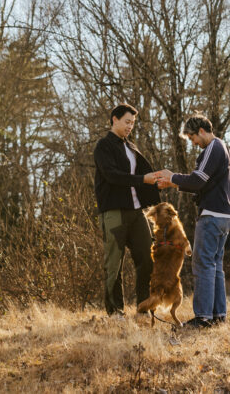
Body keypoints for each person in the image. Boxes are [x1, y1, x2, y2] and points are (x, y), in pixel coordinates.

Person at [155, 113, 230, 328]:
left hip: (212, 215)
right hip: (226, 215)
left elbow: (198, 180)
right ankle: (218, 315)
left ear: (201, 131)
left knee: (202, 264)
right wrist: (174, 183)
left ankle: (203, 318)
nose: (193, 143)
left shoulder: (213, 147)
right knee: (215, 265)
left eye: (192, 138)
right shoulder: (223, 148)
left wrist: (172, 177)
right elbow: (203, 183)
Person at [93, 103, 163, 317]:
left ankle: (144, 308)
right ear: (114, 119)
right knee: (114, 263)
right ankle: (115, 313)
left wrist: (154, 182)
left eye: (133, 123)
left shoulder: (131, 147)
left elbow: (142, 176)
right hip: (114, 211)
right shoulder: (103, 146)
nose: (130, 126)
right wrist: (143, 179)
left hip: (136, 212)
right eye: (127, 122)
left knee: (146, 258)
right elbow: (112, 175)